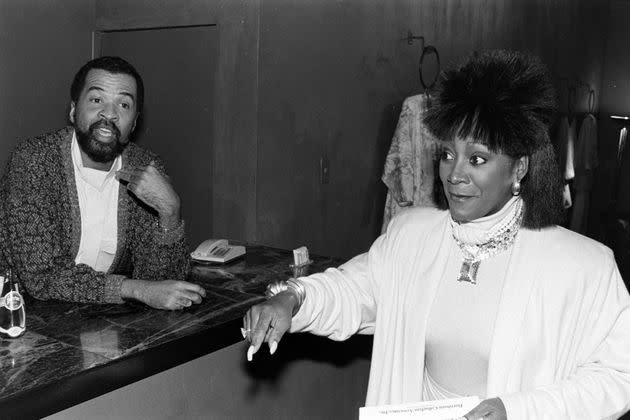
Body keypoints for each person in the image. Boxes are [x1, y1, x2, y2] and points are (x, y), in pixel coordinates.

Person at [243, 50, 630, 419]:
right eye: (447, 155)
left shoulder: (582, 266)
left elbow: (619, 376)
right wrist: (291, 299)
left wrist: (519, 412)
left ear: (519, 169)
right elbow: (352, 289)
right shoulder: (412, 237)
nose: (454, 174)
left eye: (477, 159)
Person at [0, 56, 205, 310]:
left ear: (134, 122)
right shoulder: (34, 161)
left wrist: (170, 212)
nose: (110, 113)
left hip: (97, 322)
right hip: (19, 321)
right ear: (74, 110)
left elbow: (162, 284)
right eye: (97, 100)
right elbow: (42, 276)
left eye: (124, 104)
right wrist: (133, 288)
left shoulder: (144, 168)